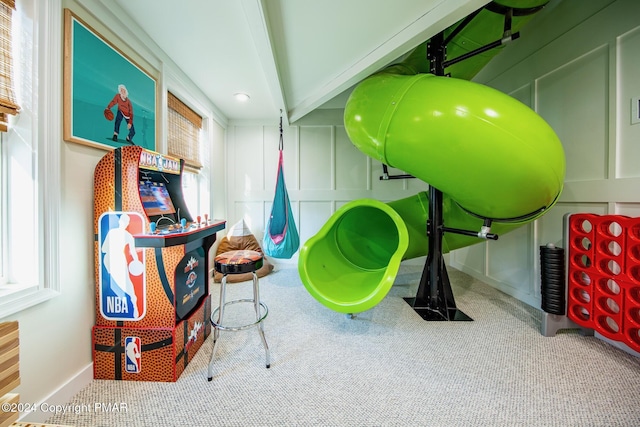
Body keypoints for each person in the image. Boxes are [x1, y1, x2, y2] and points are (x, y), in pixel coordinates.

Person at [101, 213, 140, 318]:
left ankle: (134, 306)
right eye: (125, 221)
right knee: (124, 285)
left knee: (123, 285)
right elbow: (133, 252)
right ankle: (133, 305)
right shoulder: (127, 235)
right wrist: (136, 262)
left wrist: (136, 262)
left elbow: (103, 249)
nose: (125, 224)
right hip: (115, 260)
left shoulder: (113, 232)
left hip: (111, 260)